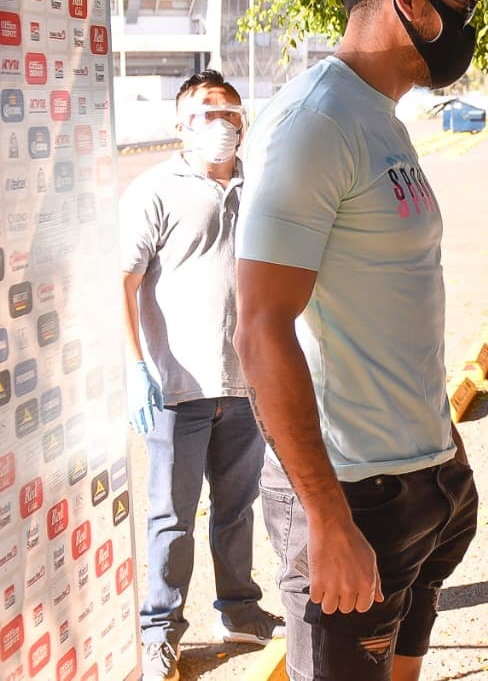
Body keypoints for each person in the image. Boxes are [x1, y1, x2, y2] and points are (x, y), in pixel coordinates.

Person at [233, 0, 480, 681]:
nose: (471, 26)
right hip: (352, 497)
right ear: (409, 0)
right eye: (462, 6)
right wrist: (327, 517)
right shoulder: (315, 122)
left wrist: (442, 451)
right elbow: (261, 328)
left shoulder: (380, 116)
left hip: (427, 480)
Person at [120, 70, 285, 681]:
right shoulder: (154, 191)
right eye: (205, 112)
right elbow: (124, 281)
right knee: (171, 515)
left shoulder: (258, 188)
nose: (219, 123)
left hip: (244, 384)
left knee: (237, 506)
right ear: (180, 125)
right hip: (176, 388)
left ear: (244, 121)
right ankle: (160, 630)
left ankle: (240, 609)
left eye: (229, 111)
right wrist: (138, 366)